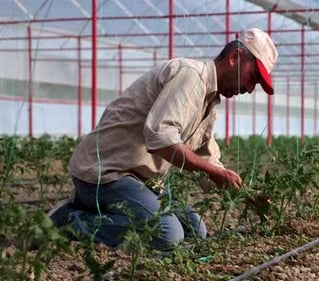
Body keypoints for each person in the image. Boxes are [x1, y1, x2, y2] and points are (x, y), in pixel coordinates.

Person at [48, 28, 278, 250]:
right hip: (106, 174)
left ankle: (96, 211)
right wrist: (212, 172)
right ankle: (70, 221)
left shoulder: (208, 101)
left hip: (141, 181)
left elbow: (207, 157)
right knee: (167, 234)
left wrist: (245, 194)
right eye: (253, 77)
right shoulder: (191, 76)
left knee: (195, 231)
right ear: (235, 57)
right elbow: (161, 139)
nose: (249, 88)